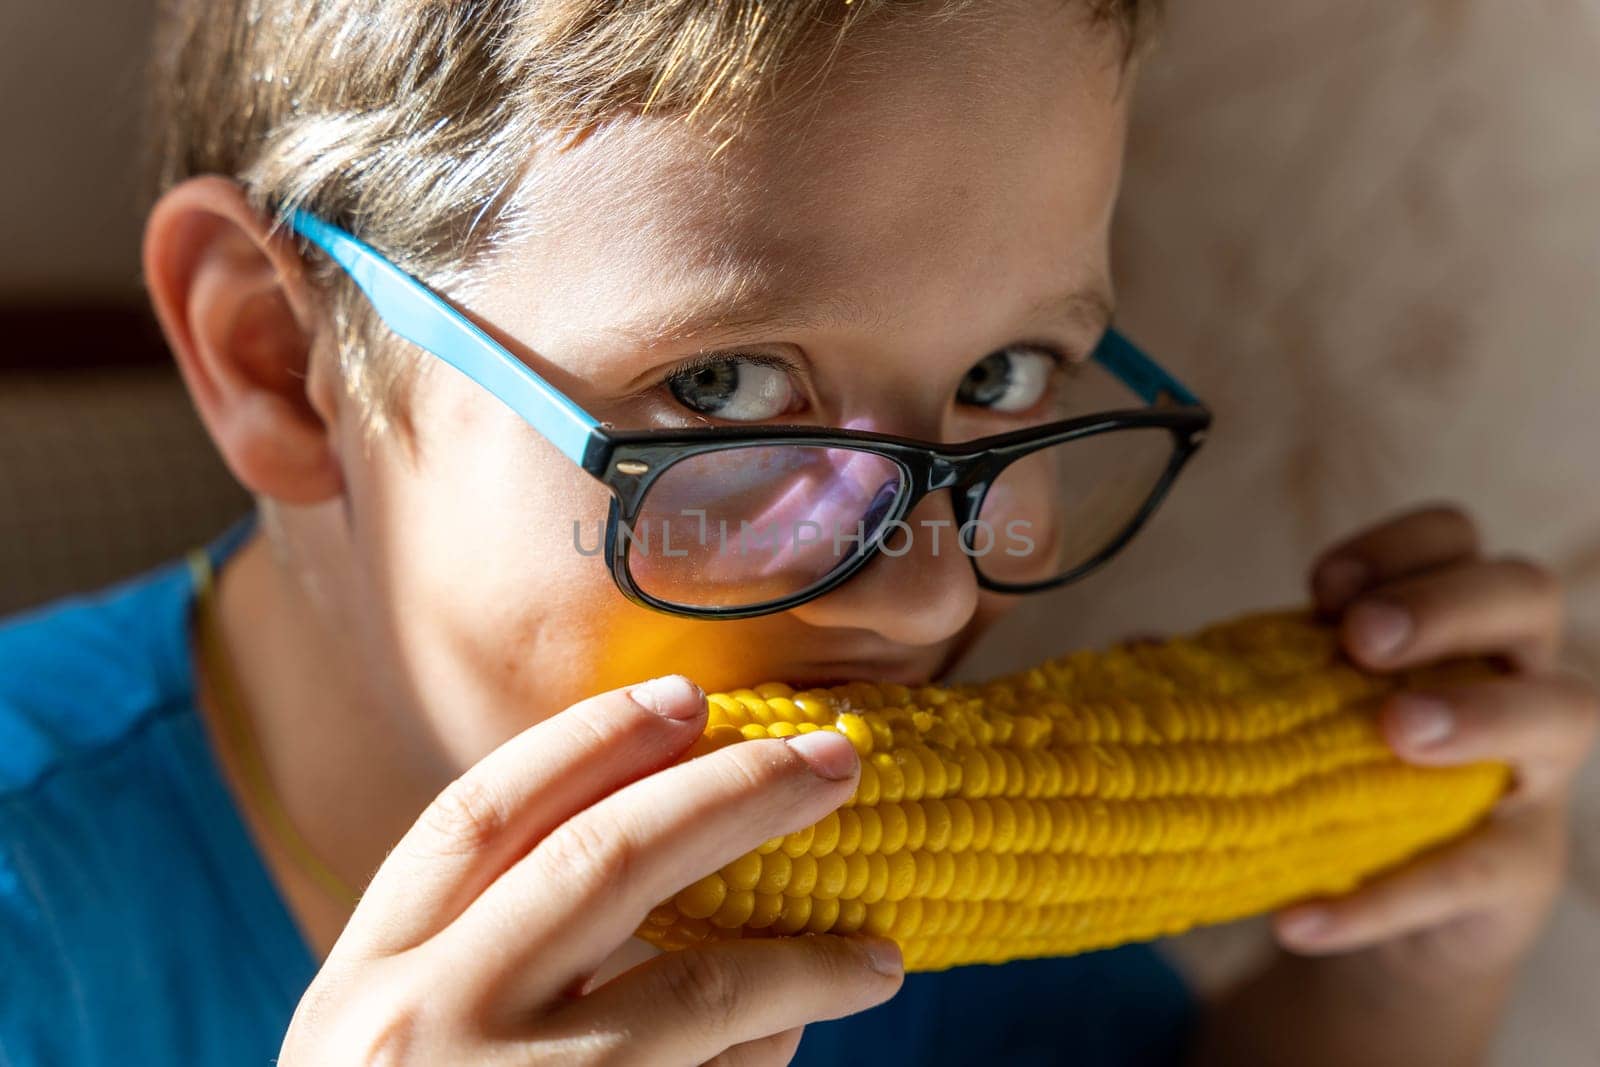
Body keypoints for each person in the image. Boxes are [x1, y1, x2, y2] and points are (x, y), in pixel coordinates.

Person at [2, 1, 1593, 1063]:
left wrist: (1391, 983)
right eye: (725, 386)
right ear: (279, 365)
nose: (930, 595)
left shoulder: (917, 915)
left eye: (1003, 374)